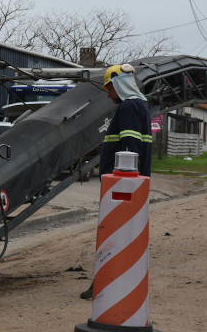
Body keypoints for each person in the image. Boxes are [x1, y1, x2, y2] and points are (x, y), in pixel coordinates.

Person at [80, 63, 152, 300]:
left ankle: (106, 283)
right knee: (123, 235)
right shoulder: (139, 105)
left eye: (109, 88)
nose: (108, 93)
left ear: (119, 85)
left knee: (113, 235)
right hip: (129, 185)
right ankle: (109, 281)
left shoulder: (129, 107)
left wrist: (124, 184)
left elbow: (130, 148)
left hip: (121, 187)